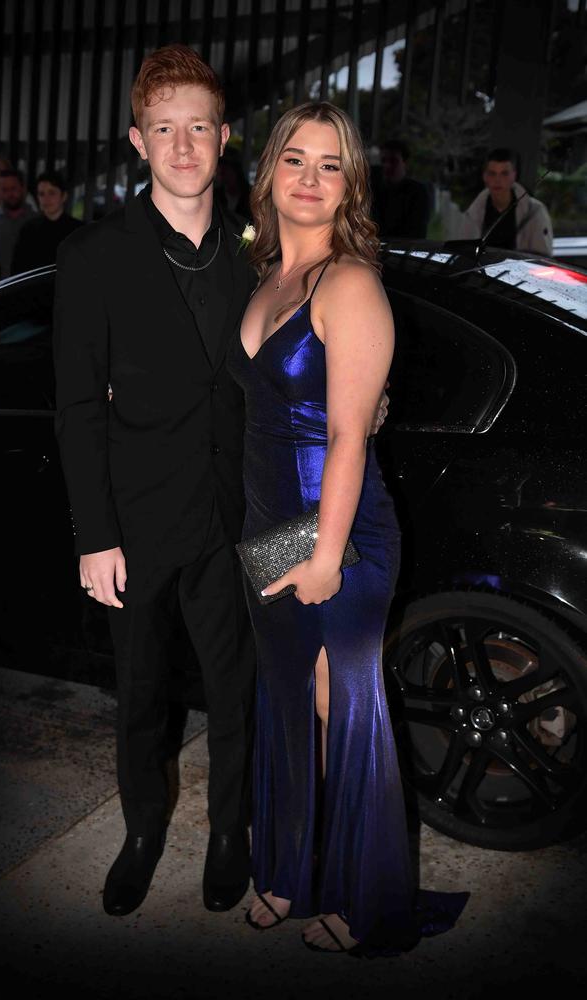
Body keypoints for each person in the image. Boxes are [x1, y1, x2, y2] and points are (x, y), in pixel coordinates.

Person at [228, 102, 467, 955]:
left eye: (331, 164)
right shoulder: (267, 280)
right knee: (286, 698)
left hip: (341, 530)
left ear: (350, 184)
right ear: (269, 172)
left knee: (343, 698)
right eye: (296, 158)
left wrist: (327, 554)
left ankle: (362, 898)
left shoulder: (350, 282)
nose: (310, 177)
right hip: (268, 524)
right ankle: (289, 871)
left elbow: (346, 434)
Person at [53, 44, 260, 919]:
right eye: (165, 130)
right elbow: (75, 408)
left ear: (224, 139)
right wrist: (93, 536)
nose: (183, 146)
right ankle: (143, 834)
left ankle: (230, 834)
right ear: (137, 140)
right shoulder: (94, 256)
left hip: (249, 519)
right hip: (136, 526)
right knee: (139, 695)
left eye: (199, 128)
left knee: (242, 685)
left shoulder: (266, 244)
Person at [460, 147, 553, 255]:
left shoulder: (535, 211)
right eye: (492, 173)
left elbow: (543, 258)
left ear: (514, 175)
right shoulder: (473, 213)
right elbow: (465, 253)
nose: (497, 180)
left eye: (504, 173)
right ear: (485, 176)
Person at [11, 171, 82, 274]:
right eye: (41, 194)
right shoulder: (28, 230)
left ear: (64, 196)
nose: (46, 199)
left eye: (52, 193)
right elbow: (17, 269)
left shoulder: (78, 231)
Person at [372, 139, 430, 239]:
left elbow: (417, 233)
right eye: (383, 161)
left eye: (394, 161)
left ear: (405, 163)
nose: (387, 166)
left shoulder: (417, 192)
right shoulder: (373, 190)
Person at [0, 168, 36, 278]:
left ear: (22, 188)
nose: (10, 194)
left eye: (13, 188)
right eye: (4, 190)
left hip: (29, 285)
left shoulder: (37, 220)